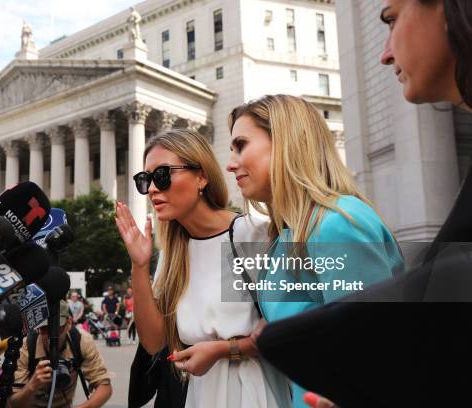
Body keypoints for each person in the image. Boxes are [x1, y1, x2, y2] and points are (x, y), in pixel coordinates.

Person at [252, 1, 472, 407]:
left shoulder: (339, 225)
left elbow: (379, 353)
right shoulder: (283, 235)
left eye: (391, 19)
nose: (384, 52)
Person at [225, 94, 404, 408]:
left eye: (241, 145)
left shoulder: (336, 224)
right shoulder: (288, 233)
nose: (230, 163)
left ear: (285, 143)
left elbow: (373, 350)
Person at [115, 129, 291, 408]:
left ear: (201, 176)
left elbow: (288, 326)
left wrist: (224, 350)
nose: (151, 189)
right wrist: (139, 265)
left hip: (253, 392)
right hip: (195, 395)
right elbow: (154, 342)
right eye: (145, 179)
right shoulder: (173, 255)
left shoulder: (253, 235)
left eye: (162, 175)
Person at [9, 301, 113, 408]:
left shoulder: (81, 340)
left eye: (56, 328)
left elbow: (104, 387)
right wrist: (32, 385)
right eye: (45, 329)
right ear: (37, 328)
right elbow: (13, 403)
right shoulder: (26, 347)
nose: (51, 336)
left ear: (69, 323)